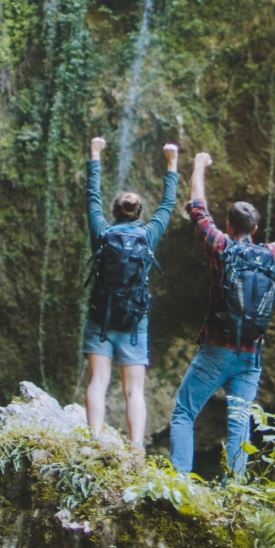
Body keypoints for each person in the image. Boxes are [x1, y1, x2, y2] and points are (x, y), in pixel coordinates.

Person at [170, 151, 275, 475]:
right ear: (256, 228)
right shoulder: (271, 255)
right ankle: (235, 494)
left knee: (184, 413)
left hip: (216, 348)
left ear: (229, 225)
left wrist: (199, 166)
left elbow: (198, 210)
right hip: (251, 356)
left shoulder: (221, 247)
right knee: (239, 424)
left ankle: (178, 482)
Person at [84, 136, 179, 451]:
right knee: (133, 391)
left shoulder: (102, 233)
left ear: (113, 213)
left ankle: (94, 441)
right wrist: (171, 163)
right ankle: (137, 448)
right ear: (140, 215)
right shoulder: (148, 235)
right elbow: (168, 205)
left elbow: (91, 198)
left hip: (101, 317)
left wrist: (94, 155)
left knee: (98, 382)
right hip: (135, 322)